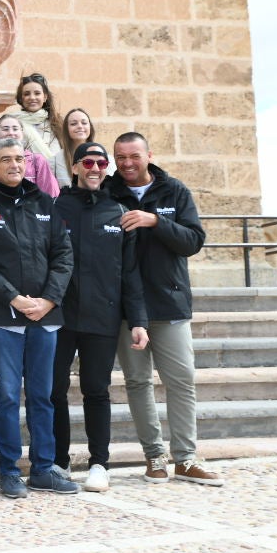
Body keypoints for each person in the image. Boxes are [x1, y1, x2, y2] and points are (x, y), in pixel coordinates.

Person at [0, 136, 78, 498]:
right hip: (1, 317)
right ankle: (9, 470)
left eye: (19, 159)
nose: (14, 165)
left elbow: (63, 255)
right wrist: (13, 297)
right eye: (5, 160)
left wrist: (48, 300)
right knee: (9, 395)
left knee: (43, 395)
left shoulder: (45, 202)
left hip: (45, 317)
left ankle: (43, 468)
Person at [107, 132, 222, 486]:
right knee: (138, 382)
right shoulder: (109, 194)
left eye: (134, 156)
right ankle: (154, 456)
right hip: (126, 307)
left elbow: (194, 241)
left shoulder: (175, 190)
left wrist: (155, 222)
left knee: (182, 380)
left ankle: (186, 458)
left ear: (148, 155)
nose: (127, 163)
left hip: (169, 303)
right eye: (121, 157)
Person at [54, 142, 150, 493]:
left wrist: (137, 320)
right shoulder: (56, 208)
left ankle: (99, 463)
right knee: (54, 391)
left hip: (102, 318)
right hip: (60, 317)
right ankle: (57, 461)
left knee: (97, 390)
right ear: (76, 167)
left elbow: (130, 273)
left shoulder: (118, 212)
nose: (95, 168)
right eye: (88, 162)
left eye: (101, 163)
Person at [9, 72, 69, 187]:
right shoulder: (13, 125)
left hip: (57, 186)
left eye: (37, 93)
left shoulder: (58, 124)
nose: (32, 98)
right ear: (21, 98)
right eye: (27, 94)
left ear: (45, 97)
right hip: (25, 185)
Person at [0, 113, 59, 196]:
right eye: (5, 129)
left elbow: (51, 195)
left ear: (22, 133)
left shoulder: (37, 161)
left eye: (15, 129)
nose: (11, 133)